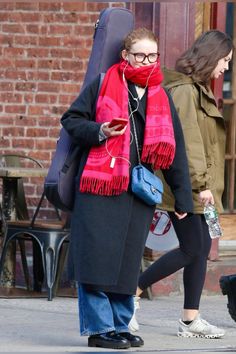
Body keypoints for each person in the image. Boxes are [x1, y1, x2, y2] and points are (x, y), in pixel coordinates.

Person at [61, 27, 193, 350]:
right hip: (99, 189)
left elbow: (175, 149)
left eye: (152, 56)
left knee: (126, 263)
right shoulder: (104, 83)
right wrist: (101, 130)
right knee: (96, 261)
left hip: (137, 193)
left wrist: (182, 194)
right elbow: (71, 120)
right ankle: (99, 328)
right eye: (139, 55)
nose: (146, 62)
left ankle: (119, 325)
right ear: (125, 56)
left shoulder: (160, 95)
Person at [131, 29, 233, 339]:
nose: (227, 68)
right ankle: (131, 292)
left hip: (198, 187)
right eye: (226, 61)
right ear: (211, 56)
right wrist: (201, 186)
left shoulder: (197, 89)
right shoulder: (186, 92)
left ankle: (190, 319)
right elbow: (187, 144)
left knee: (199, 249)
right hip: (186, 188)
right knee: (192, 249)